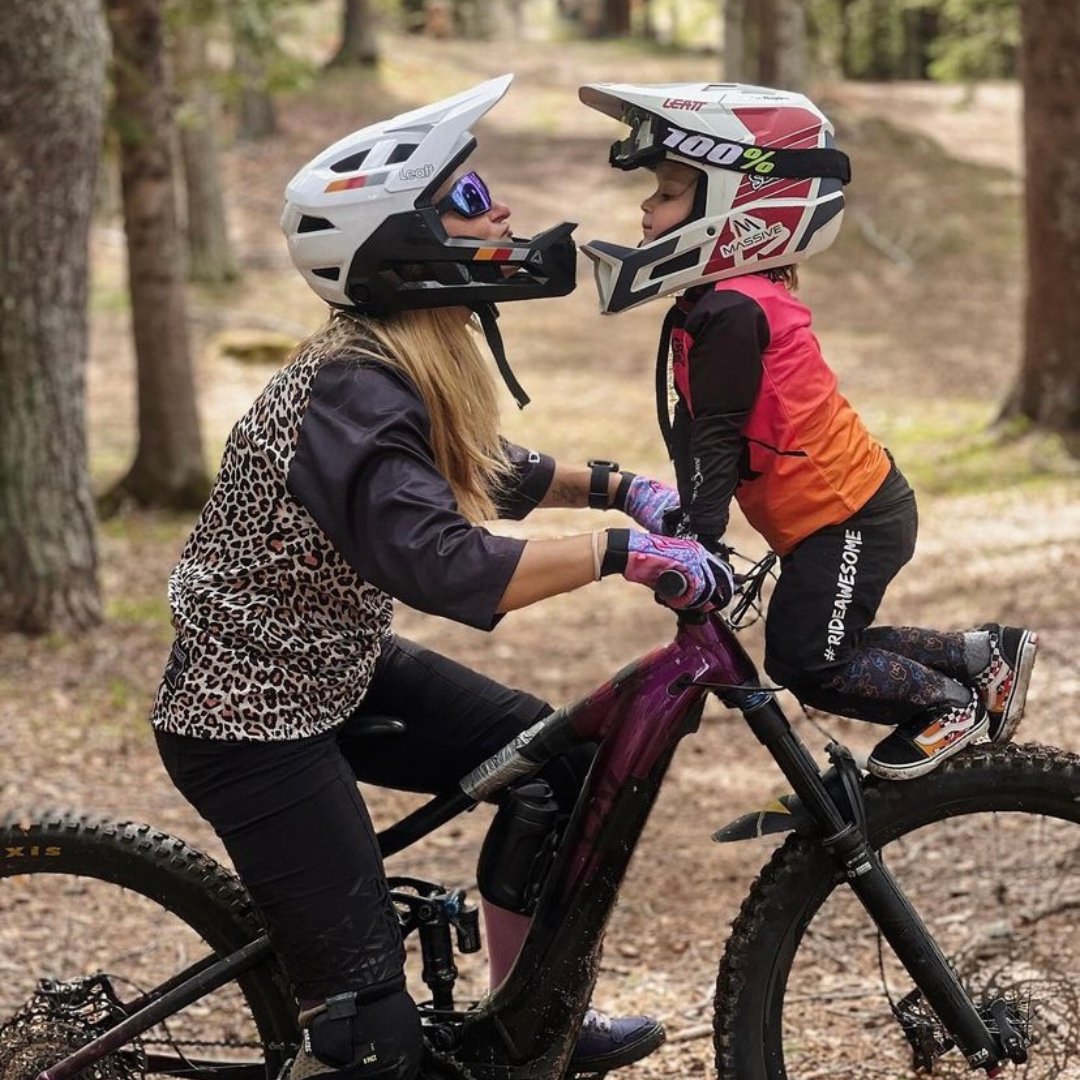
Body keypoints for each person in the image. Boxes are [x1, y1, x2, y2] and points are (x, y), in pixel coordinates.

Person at [149, 76, 732, 1080]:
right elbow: (442, 561)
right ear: (405, 240)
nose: (499, 211)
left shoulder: (394, 362)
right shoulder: (352, 387)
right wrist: (620, 552)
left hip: (329, 665)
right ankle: (357, 1034)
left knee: (555, 763)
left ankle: (528, 1018)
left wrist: (623, 488)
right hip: (246, 719)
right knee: (374, 1043)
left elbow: (468, 472)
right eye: (470, 199)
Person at [576, 81, 1038, 781]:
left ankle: (951, 703)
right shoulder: (721, 302)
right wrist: (687, 519)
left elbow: (720, 438)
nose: (647, 207)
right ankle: (981, 656)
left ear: (737, 210)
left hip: (849, 515)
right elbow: (710, 434)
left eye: (669, 193)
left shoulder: (732, 311)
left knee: (809, 659)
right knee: (816, 643)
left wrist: (696, 541)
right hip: (843, 513)